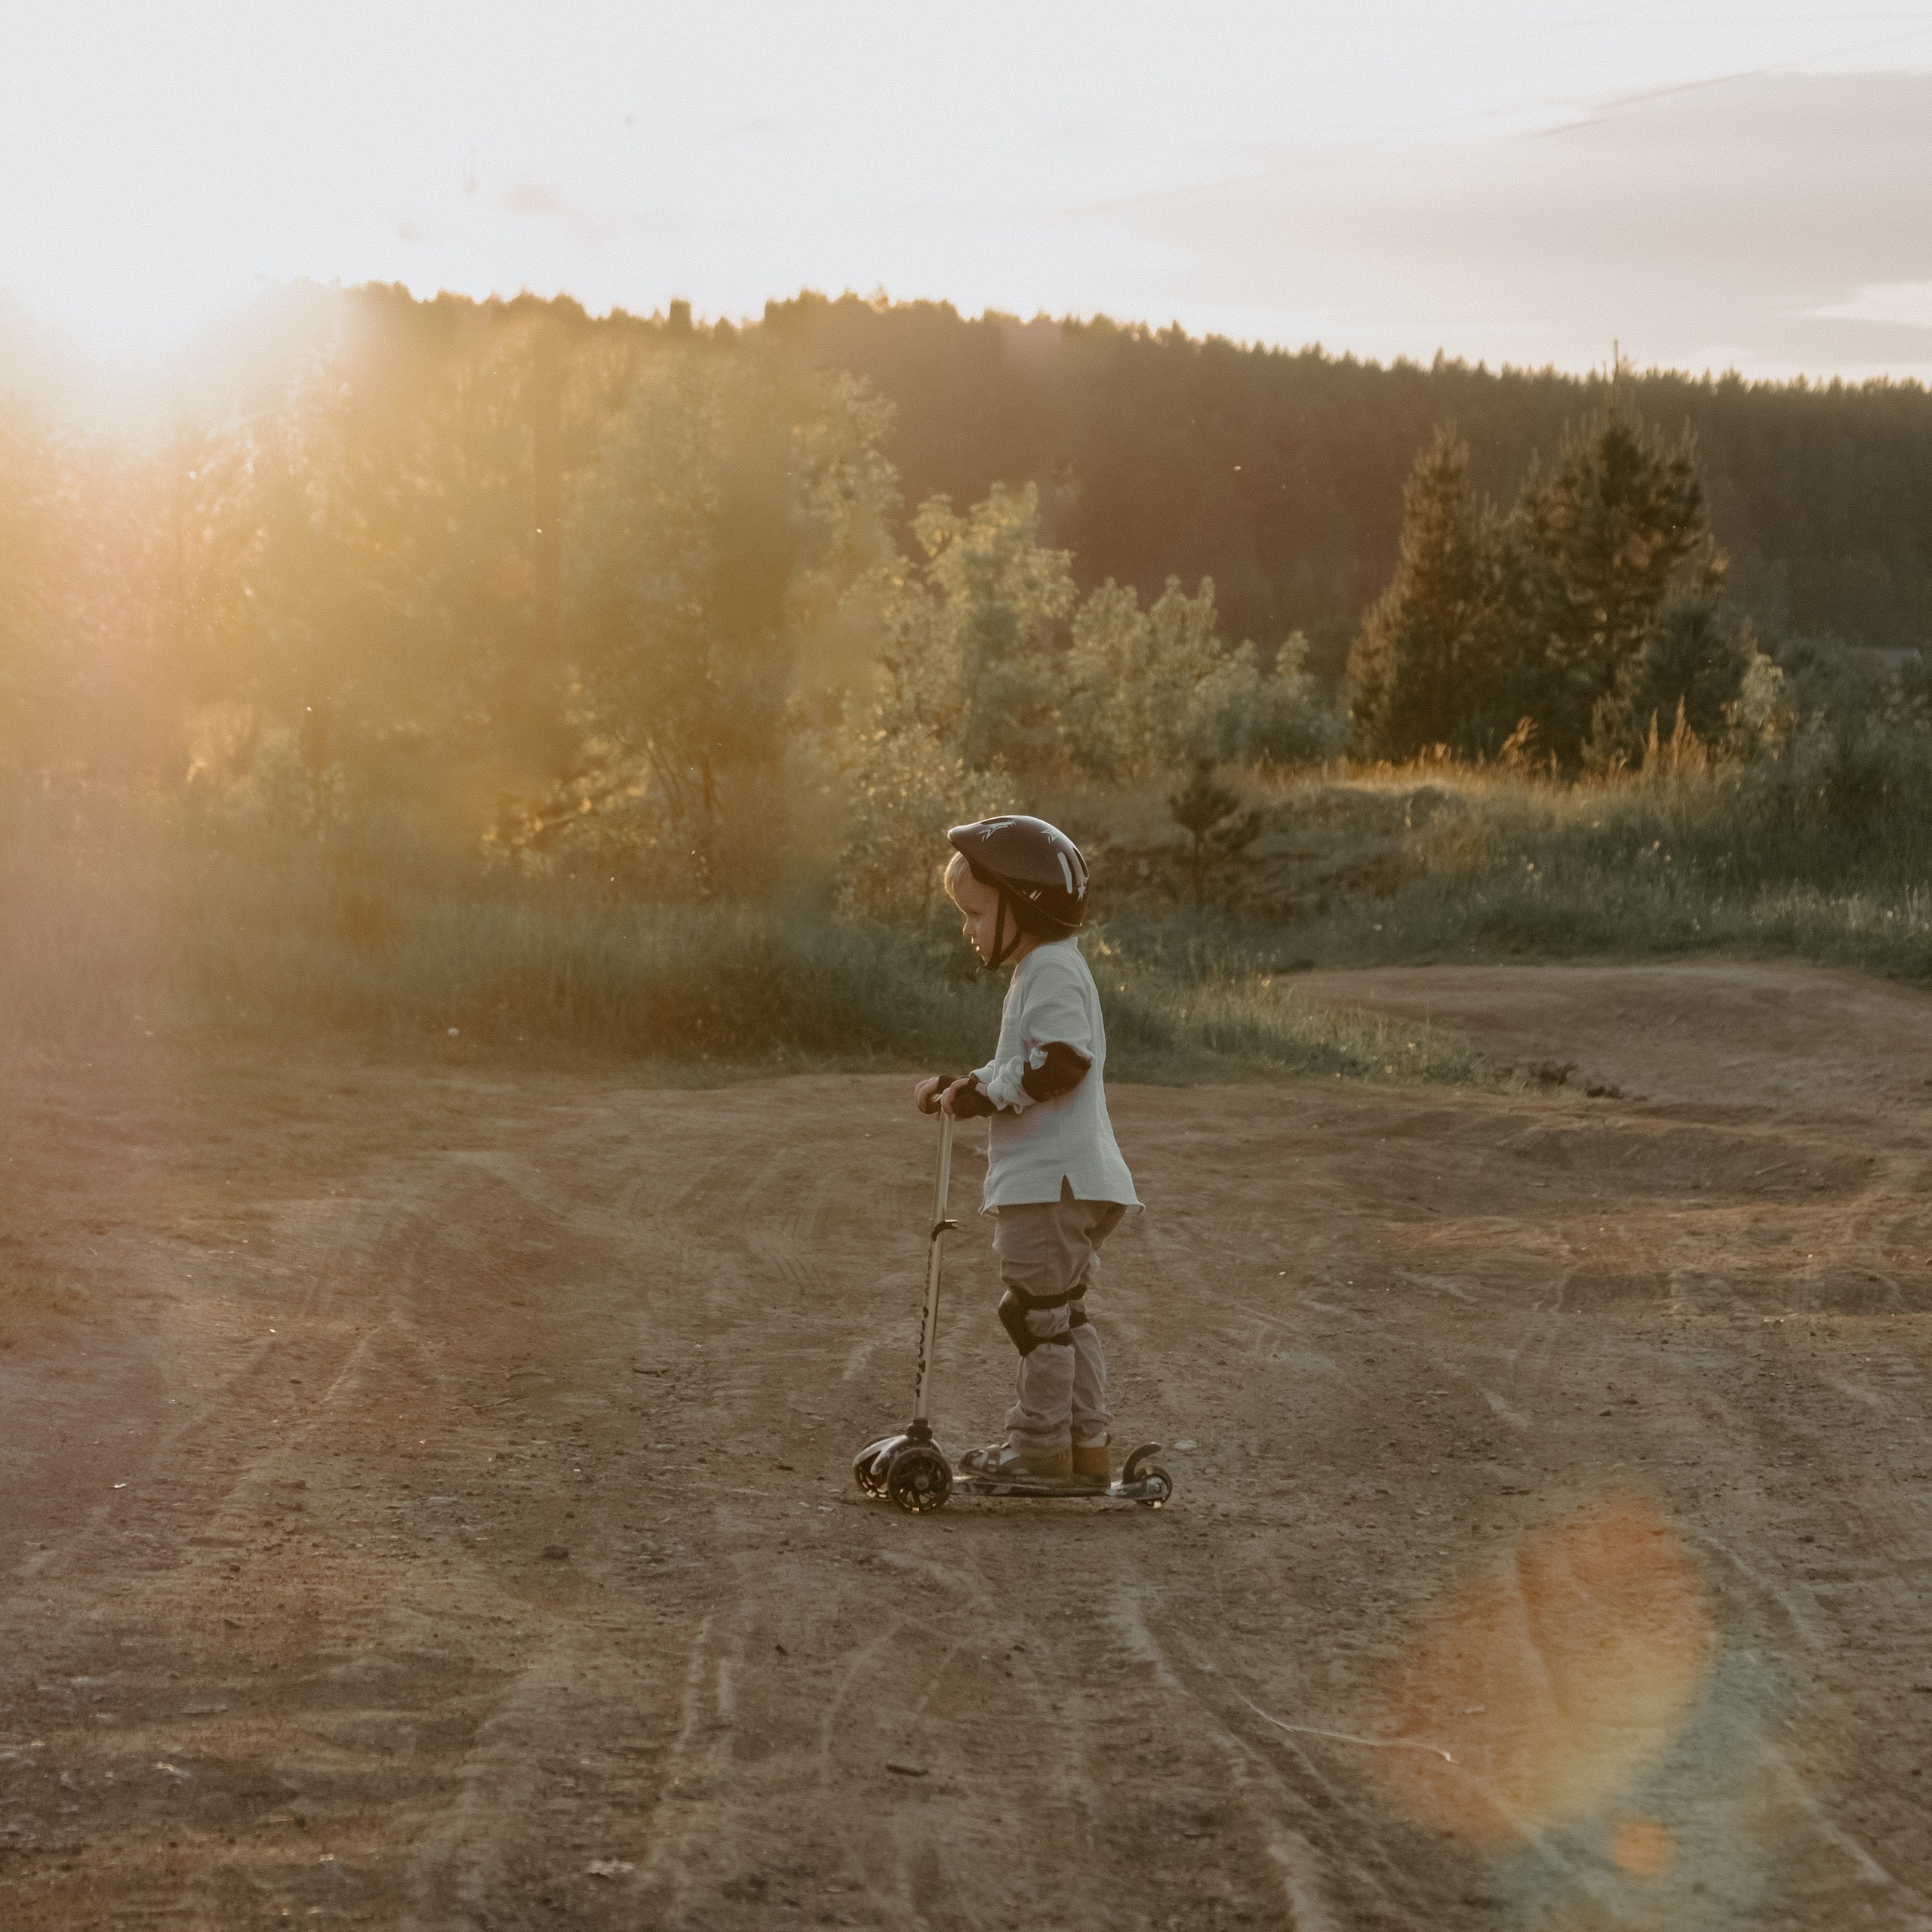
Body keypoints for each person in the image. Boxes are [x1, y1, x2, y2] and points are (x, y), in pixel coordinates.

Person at [912, 814, 1140, 1487]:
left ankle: (1039, 1448)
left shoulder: (1051, 972)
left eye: (977, 913)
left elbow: (1062, 1063)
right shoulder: (1044, 969)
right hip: (1068, 1180)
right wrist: (970, 1085)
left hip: (1052, 1184)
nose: (969, 929)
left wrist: (992, 1093)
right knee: (1058, 1312)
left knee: (1035, 1313)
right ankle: (1082, 1443)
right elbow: (1023, 1060)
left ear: (1023, 903)